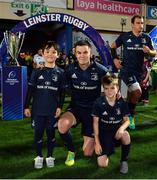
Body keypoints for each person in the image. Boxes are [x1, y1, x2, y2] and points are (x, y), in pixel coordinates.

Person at [58, 40, 108, 166]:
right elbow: (60, 85)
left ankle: (98, 136)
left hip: (92, 113)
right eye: (79, 52)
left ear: (91, 53)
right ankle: (71, 151)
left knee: (87, 153)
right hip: (76, 108)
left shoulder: (101, 70)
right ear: (75, 53)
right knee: (62, 125)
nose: (82, 55)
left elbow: (112, 87)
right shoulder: (69, 69)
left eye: (85, 52)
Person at [24, 41, 65, 169]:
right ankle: (39, 156)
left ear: (58, 55)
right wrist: (26, 106)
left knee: (51, 135)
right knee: (38, 134)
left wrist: (59, 107)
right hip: (37, 110)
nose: (50, 54)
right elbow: (30, 91)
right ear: (43, 53)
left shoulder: (60, 72)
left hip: (52, 111)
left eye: (54, 52)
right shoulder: (37, 71)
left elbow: (62, 93)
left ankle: (50, 156)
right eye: (47, 51)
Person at [110, 14, 156, 129]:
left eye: (142, 23)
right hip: (126, 70)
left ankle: (126, 116)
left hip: (138, 72)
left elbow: (155, 53)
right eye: (138, 23)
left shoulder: (146, 37)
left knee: (131, 96)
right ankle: (130, 117)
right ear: (132, 24)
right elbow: (113, 46)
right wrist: (115, 58)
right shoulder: (125, 36)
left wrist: (149, 51)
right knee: (137, 92)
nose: (141, 25)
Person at [92, 74, 131, 174]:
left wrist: (121, 129)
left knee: (126, 135)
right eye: (106, 88)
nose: (109, 91)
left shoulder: (122, 102)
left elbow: (127, 120)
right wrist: (97, 142)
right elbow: (95, 123)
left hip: (117, 132)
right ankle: (107, 148)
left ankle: (124, 161)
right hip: (104, 133)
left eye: (112, 88)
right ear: (103, 89)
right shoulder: (98, 102)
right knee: (102, 164)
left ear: (117, 88)